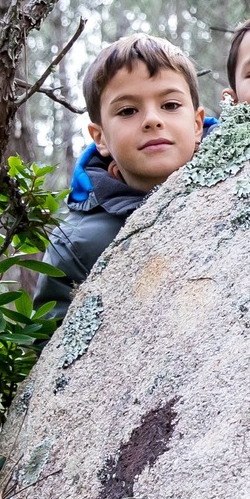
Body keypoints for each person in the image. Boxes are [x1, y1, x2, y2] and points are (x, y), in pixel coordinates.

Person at [36, 36, 205, 307]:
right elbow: (49, 341)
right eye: (128, 111)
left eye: (170, 105)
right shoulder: (77, 243)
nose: (152, 120)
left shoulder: (247, 178)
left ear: (197, 124)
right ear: (100, 137)